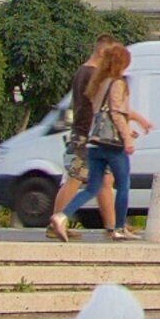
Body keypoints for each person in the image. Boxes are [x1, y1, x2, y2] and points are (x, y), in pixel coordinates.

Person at [52, 40, 147, 240]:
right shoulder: (112, 82)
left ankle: (110, 226)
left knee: (101, 183)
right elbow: (115, 112)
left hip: (93, 138)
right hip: (98, 138)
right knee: (92, 180)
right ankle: (117, 228)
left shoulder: (97, 80)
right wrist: (127, 135)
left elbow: (101, 111)